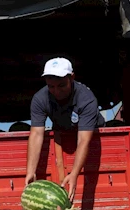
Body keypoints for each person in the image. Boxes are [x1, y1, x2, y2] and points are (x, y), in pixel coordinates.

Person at [25, 57, 105, 200]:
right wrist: (31, 171)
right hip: (64, 131)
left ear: (72, 77)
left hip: (89, 132)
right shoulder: (40, 98)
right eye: (51, 86)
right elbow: (36, 134)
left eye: (61, 85)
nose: (56, 91)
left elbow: (83, 140)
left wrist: (74, 173)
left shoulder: (86, 99)